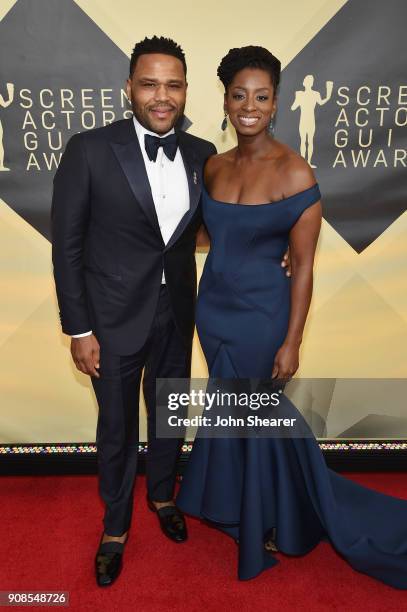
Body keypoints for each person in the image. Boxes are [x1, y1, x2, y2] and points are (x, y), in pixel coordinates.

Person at [176, 46, 407, 589]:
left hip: (263, 316)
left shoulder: (296, 172)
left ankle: (287, 517)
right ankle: (256, 508)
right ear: (227, 101)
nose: (249, 107)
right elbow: (212, 233)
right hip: (213, 312)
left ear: (276, 103)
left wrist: (292, 341)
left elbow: (303, 265)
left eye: (260, 96)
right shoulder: (212, 165)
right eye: (239, 96)